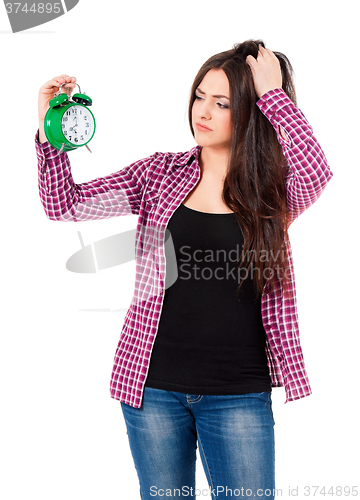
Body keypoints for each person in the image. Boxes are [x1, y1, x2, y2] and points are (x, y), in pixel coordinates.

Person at [36, 40, 333, 500]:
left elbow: (317, 171)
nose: (204, 111)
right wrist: (51, 134)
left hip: (238, 393)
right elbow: (65, 205)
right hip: (153, 388)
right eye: (200, 96)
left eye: (222, 102)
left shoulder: (273, 191)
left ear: (252, 111)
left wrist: (273, 95)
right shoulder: (159, 174)